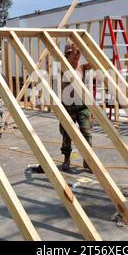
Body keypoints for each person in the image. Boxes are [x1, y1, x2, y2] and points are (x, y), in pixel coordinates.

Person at [32, 42, 93, 173]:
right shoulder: (62, 68)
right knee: (67, 135)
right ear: (67, 54)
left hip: (82, 106)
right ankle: (67, 158)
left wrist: (83, 47)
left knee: (86, 133)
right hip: (68, 106)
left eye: (79, 53)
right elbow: (59, 59)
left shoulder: (82, 68)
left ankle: (88, 161)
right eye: (74, 52)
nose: (77, 55)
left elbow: (93, 62)